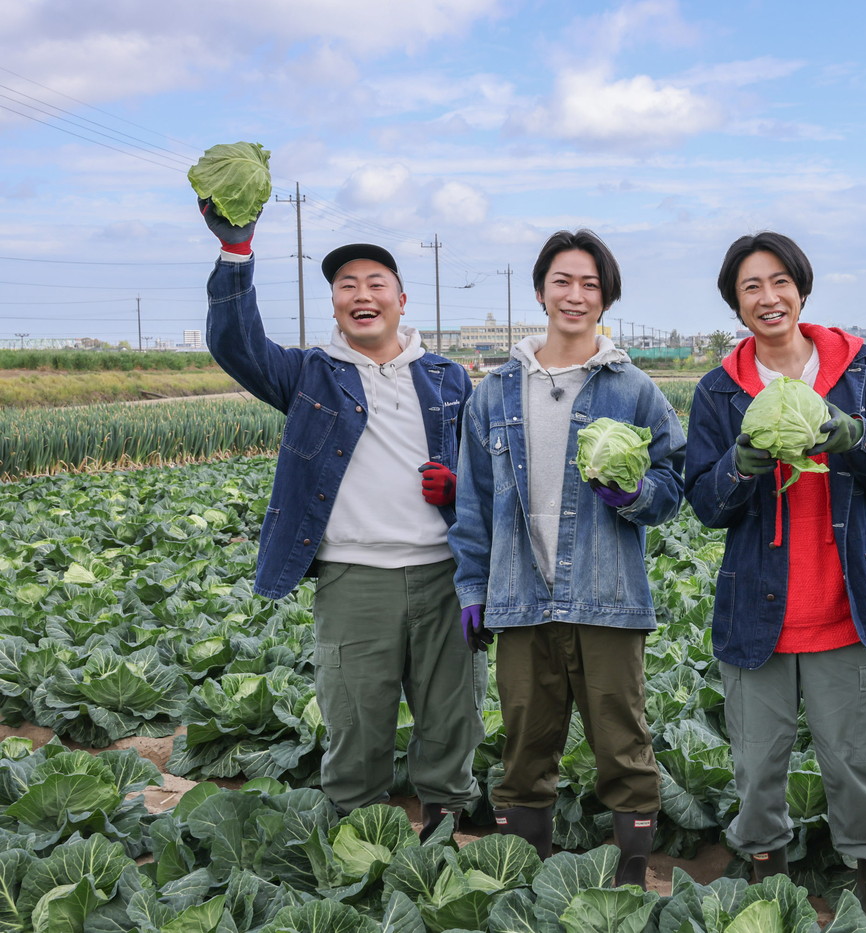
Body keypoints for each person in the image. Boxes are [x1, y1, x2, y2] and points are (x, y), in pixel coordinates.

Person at [199, 200, 485, 841]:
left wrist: (460, 490)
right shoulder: (308, 375)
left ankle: (445, 822)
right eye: (346, 286)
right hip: (355, 576)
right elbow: (234, 343)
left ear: (402, 300)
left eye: (375, 284)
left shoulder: (448, 378)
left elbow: (486, 480)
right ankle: (358, 837)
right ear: (334, 304)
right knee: (355, 717)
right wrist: (236, 252)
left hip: (443, 575)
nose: (362, 295)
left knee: (452, 713)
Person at [683, 231, 866, 930]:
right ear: (736, 302)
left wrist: (854, 435)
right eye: (751, 286)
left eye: (779, 281)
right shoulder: (719, 390)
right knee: (759, 773)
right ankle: (772, 901)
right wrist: (742, 462)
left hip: (849, 605)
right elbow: (703, 502)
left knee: (862, 768)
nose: (768, 297)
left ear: (802, 290)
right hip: (757, 615)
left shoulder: (859, 369)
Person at [448, 229, 685, 889]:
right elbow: (473, 501)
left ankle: (631, 883)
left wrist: (639, 493)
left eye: (589, 284)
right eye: (563, 280)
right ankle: (524, 884)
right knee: (524, 751)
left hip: (607, 598)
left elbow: (676, 481)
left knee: (624, 748)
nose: (575, 295)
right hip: (521, 597)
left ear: (605, 296)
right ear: (541, 290)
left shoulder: (633, 389)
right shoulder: (494, 392)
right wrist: (473, 587)